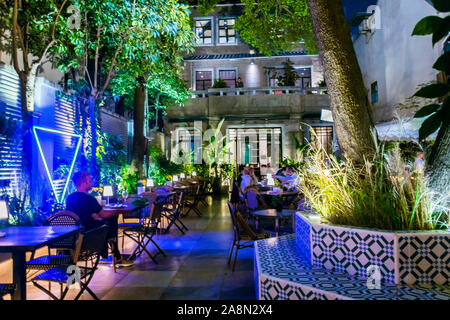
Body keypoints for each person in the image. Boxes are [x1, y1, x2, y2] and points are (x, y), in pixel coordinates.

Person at [66, 172, 133, 266]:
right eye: (89, 180)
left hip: (75, 234)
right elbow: (103, 214)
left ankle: (113, 257)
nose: (91, 182)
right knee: (112, 221)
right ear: (83, 183)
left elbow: (78, 215)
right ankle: (116, 258)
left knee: (106, 222)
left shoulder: (70, 198)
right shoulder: (89, 200)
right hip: (89, 236)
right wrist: (120, 211)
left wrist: (95, 217)